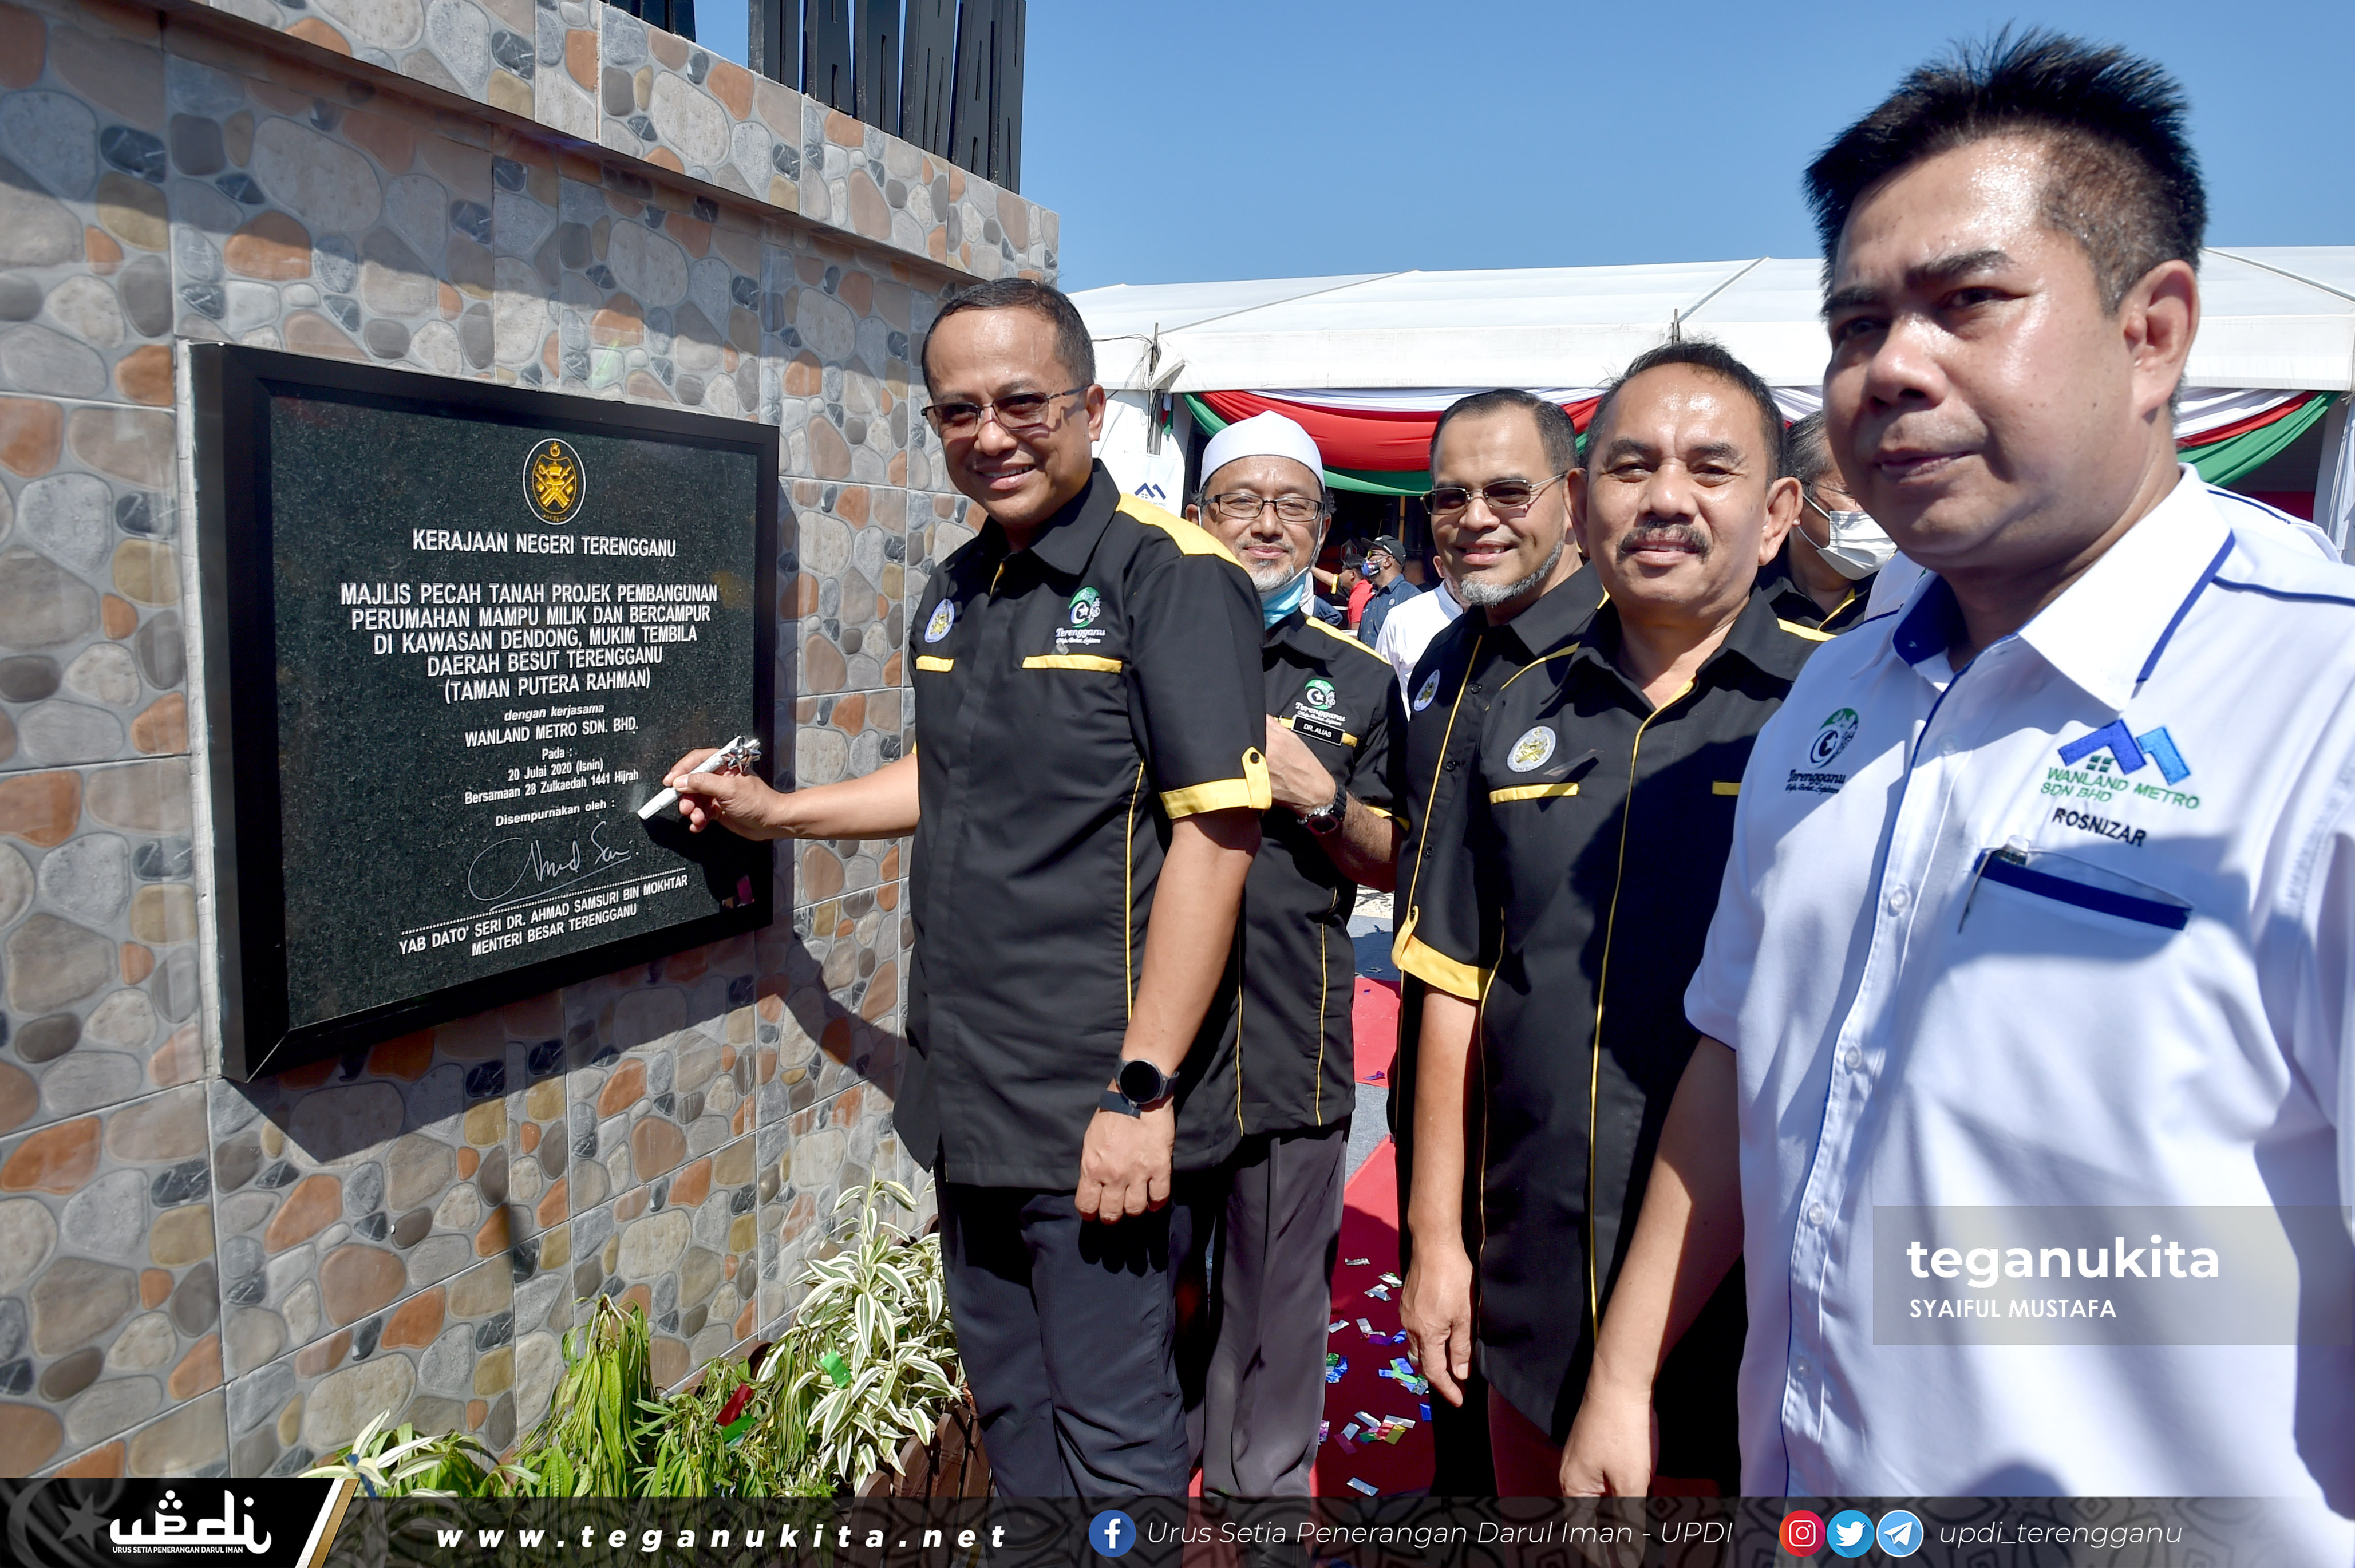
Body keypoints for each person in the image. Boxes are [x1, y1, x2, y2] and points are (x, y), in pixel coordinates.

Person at [1560, 35, 2355, 1551]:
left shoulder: (2316, 718)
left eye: (1966, 302)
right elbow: (1739, 1048)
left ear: (2153, 331)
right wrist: (1623, 1370)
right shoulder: (1839, 692)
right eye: (1856, 323)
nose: (1891, 368)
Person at [662, 277, 1270, 1495]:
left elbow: (1218, 838)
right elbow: (946, 775)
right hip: (969, 1093)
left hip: (1093, 1102)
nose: (988, 434)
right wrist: (783, 814)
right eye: (955, 412)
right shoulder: (958, 586)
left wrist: (1139, 1086)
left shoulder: (1168, 578)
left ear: (1092, 407)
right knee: (1012, 1407)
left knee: (1114, 1428)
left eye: (1020, 402)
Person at [1396, 344, 1819, 1495]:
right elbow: (1452, 986)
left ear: (1776, 511)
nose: (1666, 498)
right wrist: (1435, 1238)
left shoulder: (1837, 717)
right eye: (1630, 466)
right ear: (1581, 504)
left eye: (1710, 467)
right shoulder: (1512, 711)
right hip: (1530, 1277)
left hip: (1751, 1305)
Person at [1382, 388, 1605, 1492]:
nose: (1474, 516)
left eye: (1505, 490)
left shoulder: (1617, 659)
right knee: (1447, 1351)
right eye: (1447, 496)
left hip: (1557, 1105)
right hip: (1433, 1068)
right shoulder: (1440, 656)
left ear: (1567, 495)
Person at [1180, 410, 1405, 1494]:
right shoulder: (1136, 654)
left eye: (1291, 506)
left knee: (1276, 1293)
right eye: (1240, 500)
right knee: (1156, 1284)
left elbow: (1390, 857)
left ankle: (1257, 1497)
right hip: (1149, 1038)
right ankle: (1145, 1480)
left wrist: (1322, 801)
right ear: (1197, 516)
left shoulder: (1358, 678)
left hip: (1286, 1027)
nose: (1265, 525)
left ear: (1322, 527)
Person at [1755, 412, 1894, 631]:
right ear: (1792, 503)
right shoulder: (1737, 595)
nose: (1878, 505)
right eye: (1855, 492)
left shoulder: (1915, 592)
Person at [1373, 552, 1464, 701]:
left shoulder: (1507, 619)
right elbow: (1380, 686)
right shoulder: (1402, 618)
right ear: (1441, 567)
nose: (1469, 575)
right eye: (1460, 565)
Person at [1355, 534, 1423, 647]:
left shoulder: (1411, 597)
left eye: (1371, 554)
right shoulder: (1372, 600)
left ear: (1387, 561)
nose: (1366, 559)